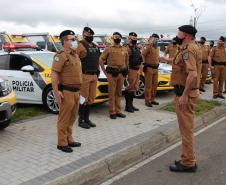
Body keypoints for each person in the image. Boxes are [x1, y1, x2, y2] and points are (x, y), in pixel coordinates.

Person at [160, 25, 202, 172]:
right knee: (186, 129)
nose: (177, 34)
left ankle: (188, 163)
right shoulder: (186, 48)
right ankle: (187, 158)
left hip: (185, 95)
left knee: (186, 130)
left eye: (179, 32)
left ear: (186, 35)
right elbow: (181, 65)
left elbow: (193, 74)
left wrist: (184, 95)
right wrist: (165, 60)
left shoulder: (188, 50)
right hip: (186, 93)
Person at [51, 30, 82, 153]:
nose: (75, 41)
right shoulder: (61, 55)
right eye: (72, 39)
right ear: (65, 41)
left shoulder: (75, 55)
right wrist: (56, 92)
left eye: (75, 39)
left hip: (76, 91)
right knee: (64, 118)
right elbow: (54, 74)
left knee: (72, 117)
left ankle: (69, 139)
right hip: (67, 92)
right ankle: (61, 142)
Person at [99, 32, 129, 119]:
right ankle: (112, 112)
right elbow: (101, 59)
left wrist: (126, 73)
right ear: (113, 38)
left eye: (118, 37)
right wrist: (104, 71)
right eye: (115, 37)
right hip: (112, 74)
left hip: (121, 74)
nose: (117, 38)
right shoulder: (109, 49)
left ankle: (118, 111)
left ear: (121, 38)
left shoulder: (124, 49)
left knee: (119, 93)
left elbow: (127, 62)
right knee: (112, 93)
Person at [76, 27, 100, 129]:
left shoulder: (94, 46)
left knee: (91, 98)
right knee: (83, 98)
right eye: (88, 34)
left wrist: (98, 70)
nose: (90, 36)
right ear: (84, 34)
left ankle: (87, 119)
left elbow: (97, 59)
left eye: (91, 35)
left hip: (94, 75)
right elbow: (75, 61)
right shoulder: (80, 45)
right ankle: (81, 120)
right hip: (85, 75)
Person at [124, 32, 142, 112]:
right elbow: (125, 60)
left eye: (135, 39)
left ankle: (131, 105)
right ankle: (127, 106)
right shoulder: (127, 48)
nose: (134, 40)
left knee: (133, 88)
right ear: (129, 39)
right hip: (131, 70)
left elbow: (140, 58)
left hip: (137, 70)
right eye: (132, 38)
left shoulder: (136, 48)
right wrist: (126, 72)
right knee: (129, 88)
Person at [142, 33, 160, 107]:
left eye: (157, 39)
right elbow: (143, 54)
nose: (156, 40)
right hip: (149, 68)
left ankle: (152, 99)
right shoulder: (148, 47)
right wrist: (144, 63)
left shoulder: (157, 48)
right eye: (154, 38)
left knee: (155, 85)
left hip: (156, 68)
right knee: (148, 86)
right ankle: (147, 100)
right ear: (151, 39)